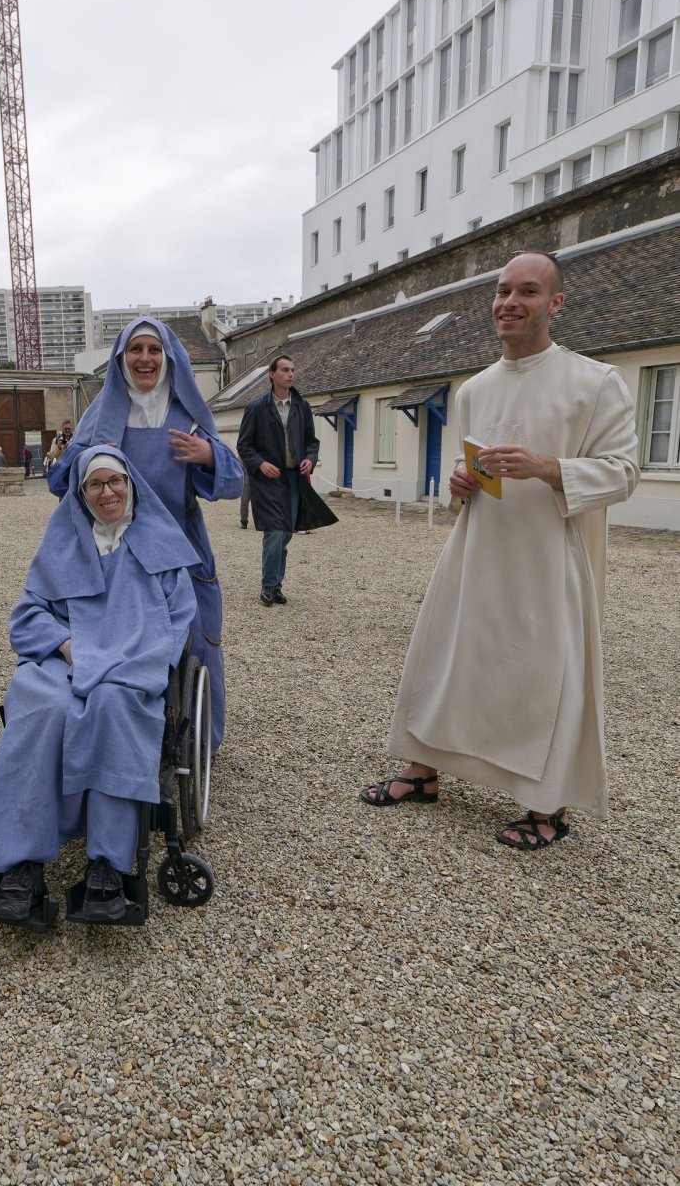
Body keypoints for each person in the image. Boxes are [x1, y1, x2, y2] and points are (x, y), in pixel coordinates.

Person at [360, 251, 640, 849]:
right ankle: (423, 769)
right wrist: (461, 487)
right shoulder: (477, 388)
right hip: (476, 549)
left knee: (543, 674)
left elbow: (623, 473)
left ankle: (547, 805)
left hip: (549, 557)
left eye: (529, 292)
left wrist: (547, 467)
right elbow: (469, 477)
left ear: (556, 303)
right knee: (447, 657)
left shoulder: (595, 382)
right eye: (502, 291)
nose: (510, 303)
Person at [0, 446, 199, 923]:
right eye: (95, 484)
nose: (106, 492)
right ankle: (19, 865)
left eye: (114, 481)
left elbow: (178, 623)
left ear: (130, 484)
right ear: (81, 492)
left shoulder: (160, 543)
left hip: (130, 659)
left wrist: (135, 660)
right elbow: (27, 618)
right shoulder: (63, 544)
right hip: (66, 657)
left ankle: (108, 868)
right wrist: (66, 645)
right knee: (43, 707)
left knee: (115, 705)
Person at [48, 318, 243, 749]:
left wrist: (209, 455)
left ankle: (196, 740)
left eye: (154, 350)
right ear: (121, 360)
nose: (145, 358)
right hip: (112, 551)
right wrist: (88, 459)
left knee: (195, 640)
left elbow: (235, 482)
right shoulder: (101, 418)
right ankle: (111, 727)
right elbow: (60, 481)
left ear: (167, 358)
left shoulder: (186, 416)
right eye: (135, 349)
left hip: (180, 548)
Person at [237, 354, 336, 605]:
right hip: (269, 481)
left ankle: (277, 585)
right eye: (284, 370)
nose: (290, 374)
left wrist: (310, 459)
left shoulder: (301, 406)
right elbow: (244, 445)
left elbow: (312, 442)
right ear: (272, 374)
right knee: (275, 532)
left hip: (294, 479)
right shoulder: (256, 407)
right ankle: (269, 586)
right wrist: (261, 464)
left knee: (286, 533)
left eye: (292, 370)